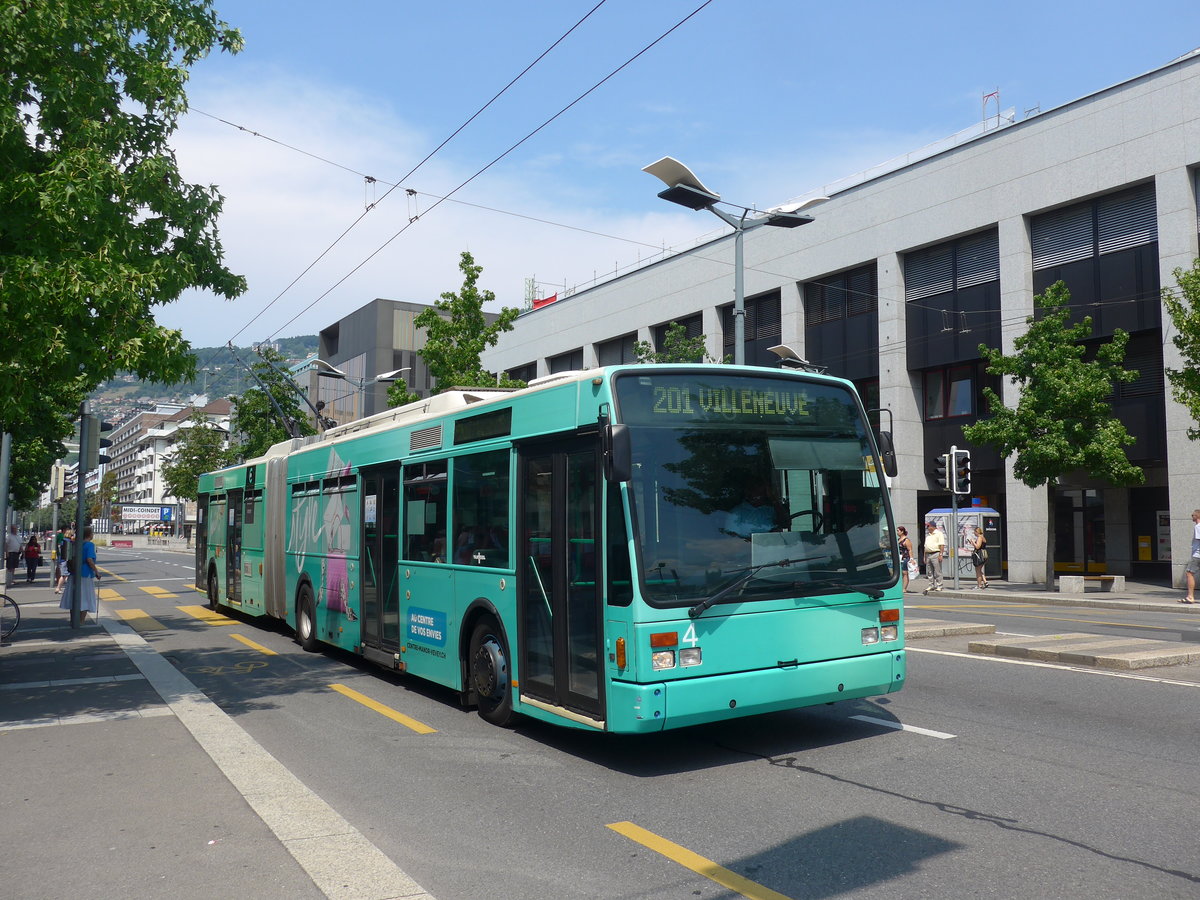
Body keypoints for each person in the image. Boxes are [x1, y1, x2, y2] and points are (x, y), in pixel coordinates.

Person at [59, 526, 100, 623]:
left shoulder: (75, 543)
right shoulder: (89, 545)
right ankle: (81, 621)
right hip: (85, 574)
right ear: (89, 535)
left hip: (74, 572)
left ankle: (73, 620)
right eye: (92, 533)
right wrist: (96, 572)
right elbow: (89, 559)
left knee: (73, 597)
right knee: (85, 598)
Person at [923, 520, 946, 594]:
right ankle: (931, 585)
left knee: (937, 571)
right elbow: (925, 546)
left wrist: (941, 554)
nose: (927, 527)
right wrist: (924, 556)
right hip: (928, 554)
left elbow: (941, 545)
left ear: (932, 526)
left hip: (936, 553)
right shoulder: (928, 535)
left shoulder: (939, 534)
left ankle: (939, 585)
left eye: (928, 526)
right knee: (930, 571)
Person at [1183, 509, 1200, 604]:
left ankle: (1190, 596)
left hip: (1197, 555)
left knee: (1189, 573)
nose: (1191, 516)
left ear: (1197, 516)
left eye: (1192, 515)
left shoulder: (1198, 527)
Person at [897, 526, 916, 592]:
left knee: (905, 573)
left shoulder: (906, 540)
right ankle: (900, 587)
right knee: (900, 573)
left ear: (902, 531)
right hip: (899, 558)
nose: (897, 532)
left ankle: (904, 588)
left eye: (898, 531)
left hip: (905, 558)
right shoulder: (898, 539)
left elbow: (910, 549)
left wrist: (911, 558)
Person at [971, 525, 988, 590]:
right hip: (984, 554)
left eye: (974, 532)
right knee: (980, 569)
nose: (974, 533)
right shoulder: (983, 537)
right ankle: (985, 582)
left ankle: (979, 585)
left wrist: (973, 542)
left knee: (977, 570)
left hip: (980, 555)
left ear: (976, 532)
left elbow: (977, 547)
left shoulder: (979, 537)